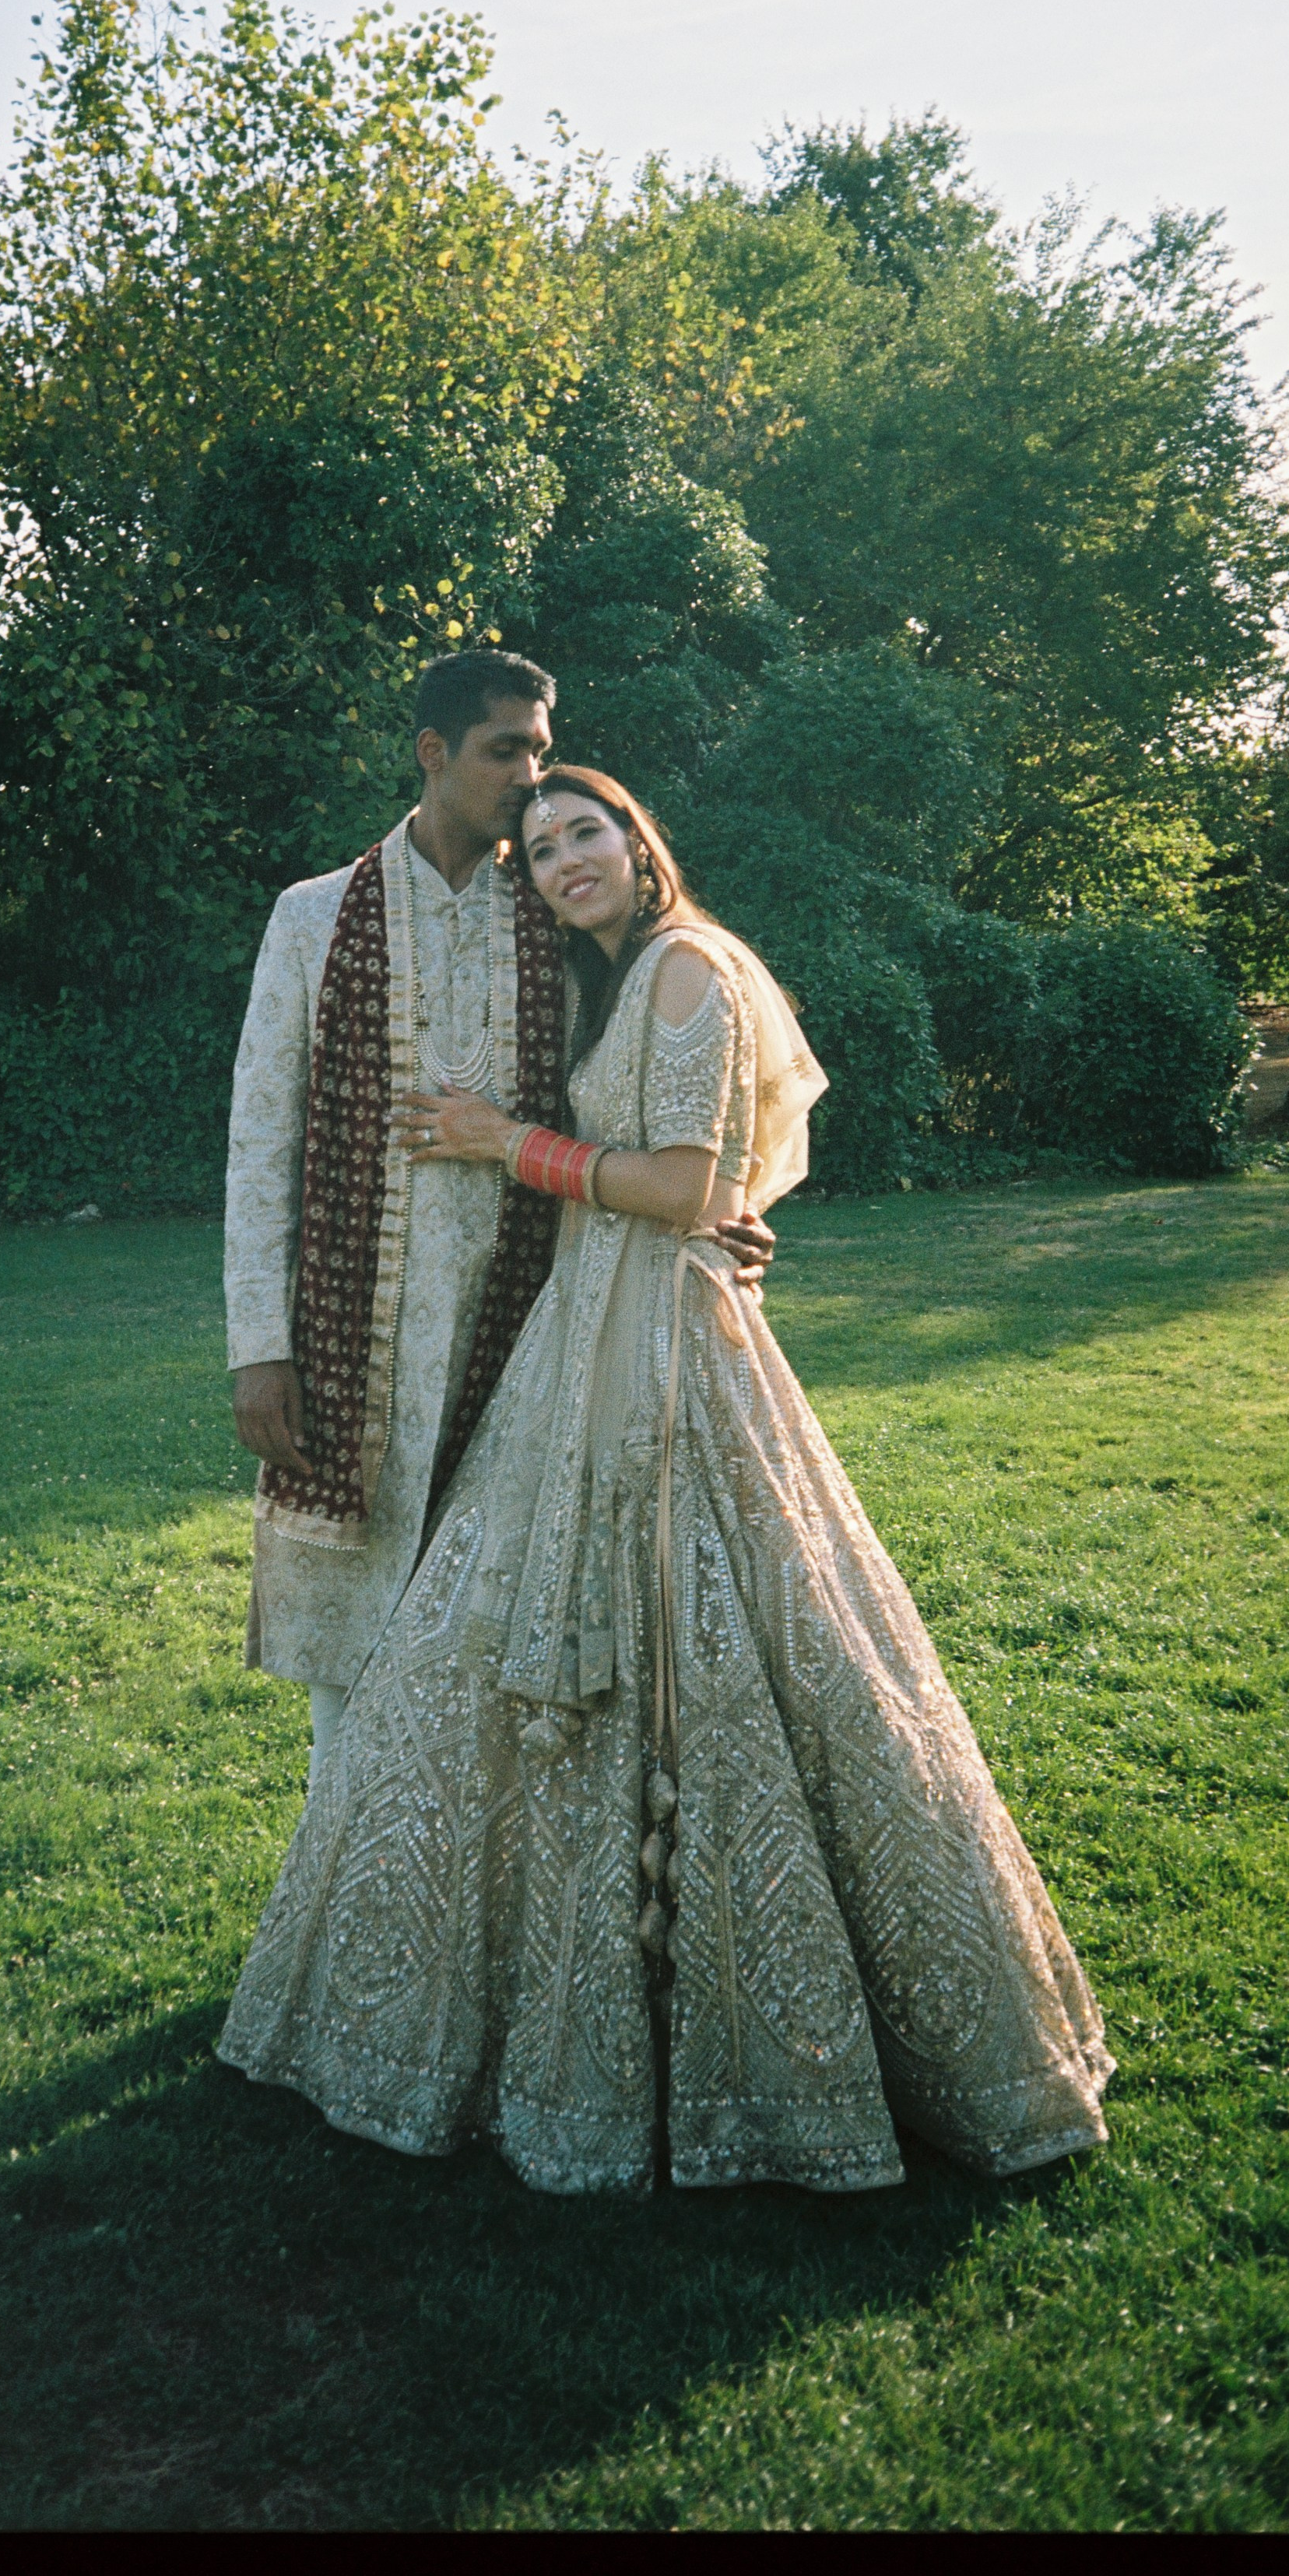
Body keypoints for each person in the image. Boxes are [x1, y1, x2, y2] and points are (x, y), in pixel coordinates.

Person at [219, 768, 1114, 2194]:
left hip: (665, 1351)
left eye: (587, 832)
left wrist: (506, 1143)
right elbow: (699, 1180)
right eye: (540, 847)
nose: (563, 859)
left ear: (642, 845)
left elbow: (691, 1184)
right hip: (589, 1332)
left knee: (724, 1637)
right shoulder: (619, 975)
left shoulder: (689, 965)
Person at [223, 655, 773, 1795]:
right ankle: (338, 1869)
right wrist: (259, 1348)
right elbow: (262, 1141)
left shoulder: (560, 918)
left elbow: (655, 1095)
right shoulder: (315, 916)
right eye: (505, 749)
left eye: (541, 748)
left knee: (487, 1643)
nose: (530, 776)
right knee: (349, 1649)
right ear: (434, 753)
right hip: (354, 1341)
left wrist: (725, 1212)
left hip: (535, 1334)